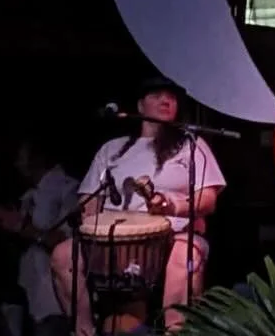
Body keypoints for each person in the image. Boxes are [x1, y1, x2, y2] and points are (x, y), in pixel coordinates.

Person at [51, 77, 226, 335]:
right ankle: (83, 330)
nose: (166, 100)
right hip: (112, 241)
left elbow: (208, 199)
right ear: (140, 106)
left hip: (174, 236)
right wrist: (94, 223)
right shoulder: (113, 149)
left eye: (171, 97)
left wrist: (172, 206)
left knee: (184, 256)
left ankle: (175, 330)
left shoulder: (192, 146)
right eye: (157, 96)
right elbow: (89, 200)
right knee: (63, 255)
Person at [0, 139, 79, 336]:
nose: (16, 163)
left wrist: (20, 226)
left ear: (37, 158)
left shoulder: (67, 189)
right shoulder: (29, 194)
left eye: (20, 157)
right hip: (27, 296)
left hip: (53, 301)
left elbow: (65, 243)